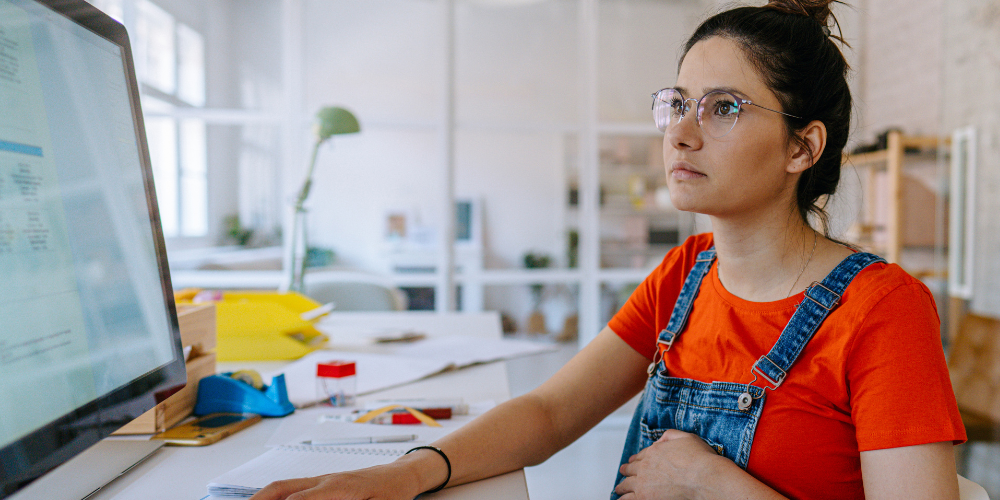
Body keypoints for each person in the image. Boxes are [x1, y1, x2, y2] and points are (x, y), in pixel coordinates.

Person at [250, 0, 967, 498]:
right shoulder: (686, 276)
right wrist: (405, 473)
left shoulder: (881, 311)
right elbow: (549, 415)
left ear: (802, 146)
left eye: (723, 108)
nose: (681, 134)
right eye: (677, 103)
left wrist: (711, 485)